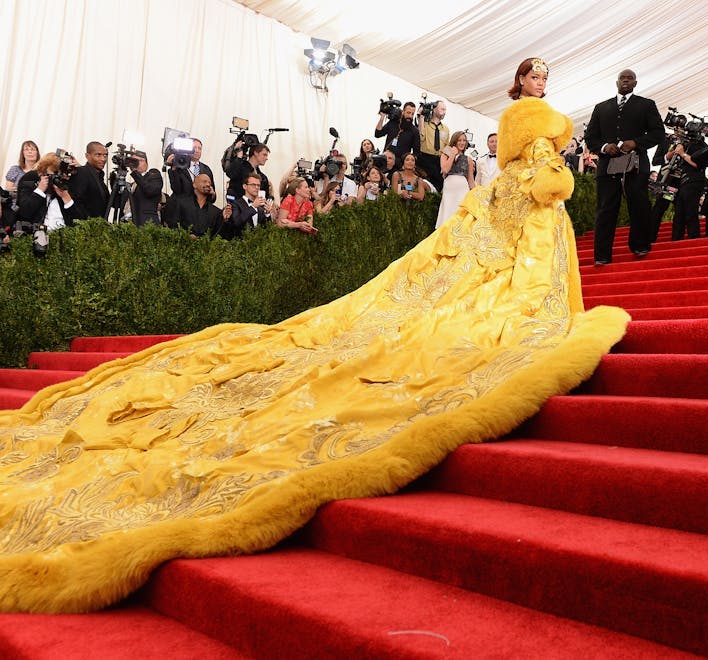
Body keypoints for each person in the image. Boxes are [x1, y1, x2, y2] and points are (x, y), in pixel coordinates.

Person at [0, 58, 629, 614]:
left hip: (499, 210)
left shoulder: (514, 125)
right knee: (480, 311)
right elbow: (552, 183)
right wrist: (564, 173)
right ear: (522, 83)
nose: (541, 82)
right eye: (535, 75)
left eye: (545, 76)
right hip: (525, 217)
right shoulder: (540, 127)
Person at [584, 68, 665, 265]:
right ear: (617, 82)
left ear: (636, 83)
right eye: (622, 78)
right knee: (605, 208)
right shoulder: (601, 107)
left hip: (636, 164)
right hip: (607, 166)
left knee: (639, 204)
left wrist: (636, 143)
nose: (626, 81)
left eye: (630, 78)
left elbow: (658, 133)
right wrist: (604, 146)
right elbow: (590, 137)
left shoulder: (646, 105)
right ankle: (602, 255)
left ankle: (640, 245)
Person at [15, 152, 83, 231]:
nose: (59, 179)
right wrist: (39, 191)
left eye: (62, 174)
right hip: (36, 237)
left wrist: (66, 198)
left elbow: (80, 222)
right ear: (42, 173)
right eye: (55, 173)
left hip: (65, 238)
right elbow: (24, 213)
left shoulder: (69, 187)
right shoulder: (29, 184)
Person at [664, 137, 708, 240]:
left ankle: (694, 239)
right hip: (681, 183)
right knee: (679, 214)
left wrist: (682, 154)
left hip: (694, 182)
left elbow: (698, 164)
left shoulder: (701, 146)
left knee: (690, 212)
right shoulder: (683, 145)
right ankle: (676, 240)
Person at [164, 173, 231, 238]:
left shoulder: (216, 212)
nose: (208, 184)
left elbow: (220, 235)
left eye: (210, 183)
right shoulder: (181, 204)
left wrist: (225, 220)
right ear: (194, 185)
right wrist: (186, 236)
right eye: (204, 181)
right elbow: (173, 226)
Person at [435, 131, 475, 228]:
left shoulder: (468, 159)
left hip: (463, 189)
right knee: (448, 213)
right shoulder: (445, 154)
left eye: (464, 140)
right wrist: (452, 154)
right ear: (454, 141)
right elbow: (445, 169)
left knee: (460, 214)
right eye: (459, 140)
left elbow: (470, 180)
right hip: (450, 187)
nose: (462, 143)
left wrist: (475, 194)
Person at [68, 141, 110, 220]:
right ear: (87, 156)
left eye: (105, 155)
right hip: (85, 227)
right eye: (98, 155)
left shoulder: (99, 177)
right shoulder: (81, 172)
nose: (103, 159)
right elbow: (77, 202)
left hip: (99, 227)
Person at [223, 172, 271, 239]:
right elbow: (237, 223)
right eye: (253, 185)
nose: (257, 187)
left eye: (258, 185)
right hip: (241, 245)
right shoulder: (235, 204)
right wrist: (253, 207)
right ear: (245, 186)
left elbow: (267, 229)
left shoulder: (260, 207)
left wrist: (267, 214)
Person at [417, 100, 449, 192]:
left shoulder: (446, 129)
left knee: (439, 187)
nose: (444, 112)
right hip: (425, 159)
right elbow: (421, 137)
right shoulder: (425, 125)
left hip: (439, 161)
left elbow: (447, 147)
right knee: (425, 186)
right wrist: (421, 117)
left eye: (445, 109)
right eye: (442, 109)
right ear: (434, 110)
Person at [128, 152, 163, 226]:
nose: (137, 163)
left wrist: (135, 173)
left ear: (146, 164)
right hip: (130, 223)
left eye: (140, 160)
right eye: (134, 161)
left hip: (147, 222)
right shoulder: (131, 184)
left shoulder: (154, 177)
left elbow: (150, 190)